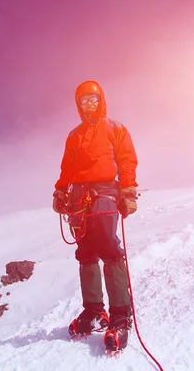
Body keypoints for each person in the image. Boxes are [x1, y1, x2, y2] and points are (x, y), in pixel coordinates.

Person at [52, 80, 139, 352]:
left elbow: (126, 160)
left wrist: (128, 191)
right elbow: (67, 167)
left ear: (101, 100)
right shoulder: (74, 135)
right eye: (83, 101)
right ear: (78, 106)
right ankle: (94, 310)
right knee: (86, 252)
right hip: (79, 198)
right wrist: (60, 191)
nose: (88, 105)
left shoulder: (115, 128)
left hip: (104, 193)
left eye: (93, 99)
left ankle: (121, 316)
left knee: (109, 250)